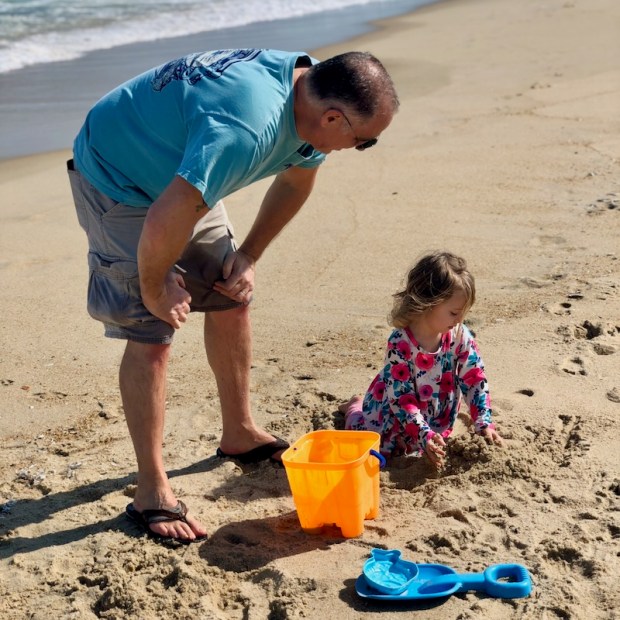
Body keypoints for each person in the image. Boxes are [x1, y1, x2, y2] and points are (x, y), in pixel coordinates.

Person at [67, 48, 399, 543]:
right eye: (364, 140)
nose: (357, 147)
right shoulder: (245, 129)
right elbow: (168, 213)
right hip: (121, 176)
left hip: (184, 171)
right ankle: (151, 490)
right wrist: (155, 285)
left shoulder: (308, 103)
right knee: (153, 333)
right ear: (333, 116)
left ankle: (238, 432)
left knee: (230, 293)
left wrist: (248, 255)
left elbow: (295, 181)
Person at [339, 251, 503, 470]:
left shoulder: (459, 335)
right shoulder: (400, 343)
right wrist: (423, 433)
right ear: (428, 302)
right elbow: (402, 398)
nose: (460, 320)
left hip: (435, 416)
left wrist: (483, 421)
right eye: (454, 312)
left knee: (429, 446)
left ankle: (424, 436)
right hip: (394, 415)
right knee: (370, 443)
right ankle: (354, 408)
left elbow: (474, 378)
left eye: (463, 312)